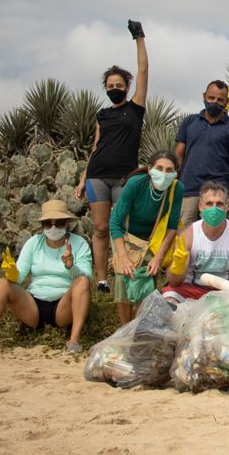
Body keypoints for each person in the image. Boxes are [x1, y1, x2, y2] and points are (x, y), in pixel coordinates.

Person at [0, 200, 92, 354]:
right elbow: (19, 278)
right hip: (33, 306)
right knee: (2, 284)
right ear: (42, 226)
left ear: (67, 224)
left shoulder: (79, 244)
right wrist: (11, 271)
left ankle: (74, 340)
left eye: (58, 223)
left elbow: (87, 276)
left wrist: (70, 266)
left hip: (63, 306)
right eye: (48, 224)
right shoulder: (34, 242)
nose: (53, 228)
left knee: (82, 282)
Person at [76, 19, 148, 293]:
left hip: (124, 177)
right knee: (101, 228)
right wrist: (83, 179)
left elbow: (143, 69)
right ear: (105, 88)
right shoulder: (102, 115)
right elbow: (96, 147)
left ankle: (124, 273)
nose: (114, 88)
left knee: (124, 228)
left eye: (119, 84)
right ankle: (102, 279)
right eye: (110, 85)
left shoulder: (136, 108)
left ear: (127, 87)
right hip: (97, 176)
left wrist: (139, 37)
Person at [108, 150, 185, 323]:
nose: (164, 174)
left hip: (152, 239)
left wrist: (158, 257)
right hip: (125, 235)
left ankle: (139, 326)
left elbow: (172, 227)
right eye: (159, 168)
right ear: (150, 169)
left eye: (169, 170)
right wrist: (123, 256)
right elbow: (115, 222)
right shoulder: (136, 183)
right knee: (123, 276)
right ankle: (125, 327)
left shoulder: (177, 189)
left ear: (175, 173)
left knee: (146, 279)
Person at [160, 181, 229, 304]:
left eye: (219, 204)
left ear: (227, 206)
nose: (214, 208)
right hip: (192, 290)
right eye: (209, 204)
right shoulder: (188, 234)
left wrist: (228, 295)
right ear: (200, 207)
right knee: (168, 298)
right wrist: (177, 268)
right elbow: (174, 282)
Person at [174, 80, 229, 226]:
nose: (215, 102)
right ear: (204, 96)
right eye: (211, 98)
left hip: (217, 193)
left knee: (214, 234)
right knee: (184, 235)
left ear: (226, 101)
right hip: (188, 191)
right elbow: (178, 156)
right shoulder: (189, 121)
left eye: (220, 100)